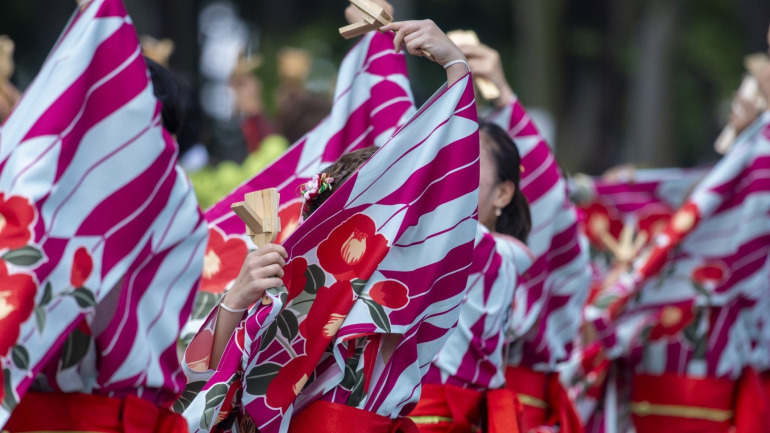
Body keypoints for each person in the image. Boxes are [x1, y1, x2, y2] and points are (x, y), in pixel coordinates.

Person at [181, 12, 478, 433]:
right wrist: (236, 298)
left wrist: (455, 68)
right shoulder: (286, 280)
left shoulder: (410, 272)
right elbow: (207, 383)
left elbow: (440, 176)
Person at [457, 41, 588, 433]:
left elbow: (550, 195)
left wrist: (502, 92)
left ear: (503, 193)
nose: (455, 176)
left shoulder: (510, 260)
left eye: (471, 164)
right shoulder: (426, 250)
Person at [407, 121, 531, 433]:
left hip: (436, 422)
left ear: (503, 193)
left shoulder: (496, 251)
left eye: (467, 160)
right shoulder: (438, 241)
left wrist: (456, 75)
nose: (449, 170)